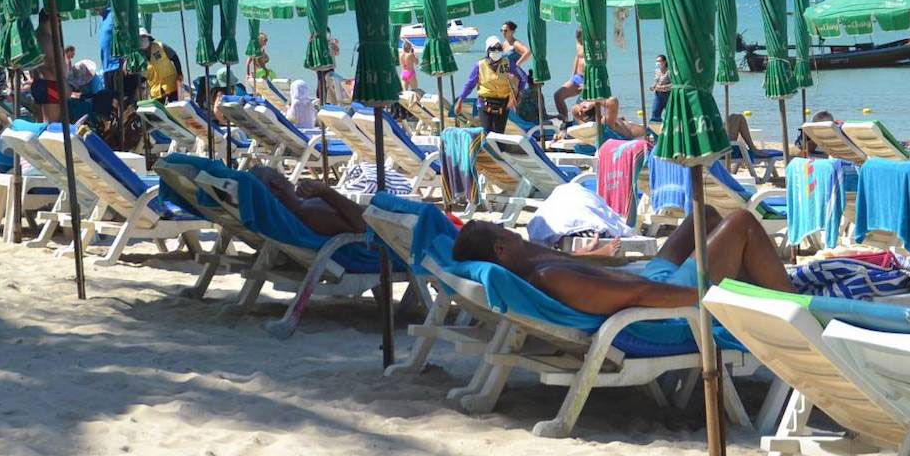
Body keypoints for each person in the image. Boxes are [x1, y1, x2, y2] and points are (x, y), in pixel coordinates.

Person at [452, 204, 792, 314]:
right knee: (740, 222)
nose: (511, 230)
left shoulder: (529, 260)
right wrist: (709, 297)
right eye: (502, 229)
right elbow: (636, 296)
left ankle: (749, 273)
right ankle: (791, 306)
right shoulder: (547, 277)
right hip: (665, 297)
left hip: (649, 278)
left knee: (703, 214)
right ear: (499, 249)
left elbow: (570, 260)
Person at [253, 164, 369, 235]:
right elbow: (366, 225)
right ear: (276, 183)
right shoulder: (309, 212)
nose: (284, 175)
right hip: (381, 243)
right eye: (277, 173)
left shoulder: (294, 212)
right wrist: (326, 192)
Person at [454, 36, 527, 134]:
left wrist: (518, 93)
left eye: (499, 49)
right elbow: (470, 84)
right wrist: (460, 100)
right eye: (493, 49)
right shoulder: (480, 65)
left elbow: (523, 77)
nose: (496, 51)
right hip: (485, 103)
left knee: (499, 134)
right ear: (488, 50)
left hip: (503, 104)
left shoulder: (508, 63)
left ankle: (499, 148)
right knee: (486, 133)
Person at [570, 95, 648, 141]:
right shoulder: (605, 123)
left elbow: (574, 111)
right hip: (643, 137)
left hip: (639, 134)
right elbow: (613, 101)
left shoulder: (582, 125)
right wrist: (594, 102)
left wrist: (576, 110)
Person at [553, 28, 585, 122]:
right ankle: (565, 121)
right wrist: (572, 75)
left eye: (580, 37)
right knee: (558, 95)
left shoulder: (591, 45)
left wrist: (587, 84)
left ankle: (581, 123)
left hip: (587, 80)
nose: (578, 39)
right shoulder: (578, 44)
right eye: (577, 37)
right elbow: (577, 57)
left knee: (580, 108)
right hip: (577, 78)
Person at [142, 32, 180, 101]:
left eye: (144, 37)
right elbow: (143, 76)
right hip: (155, 91)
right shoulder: (139, 57)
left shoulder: (160, 46)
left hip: (171, 86)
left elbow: (174, 57)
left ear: (149, 39)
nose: (143, 40)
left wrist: (180, 73)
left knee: (173, 109)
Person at [650, 54, 672, 121]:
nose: (657, 63)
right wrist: (653, 86)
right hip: (658, 95)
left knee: (670, 114)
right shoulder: (657, 71)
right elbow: (655, 81)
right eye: (657, 61)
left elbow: (673, 85)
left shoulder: (669, 71)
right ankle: (655, 130)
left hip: (668, 95)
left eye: (659, 61)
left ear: (664, 62)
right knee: (655, 113)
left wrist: (661, 87)